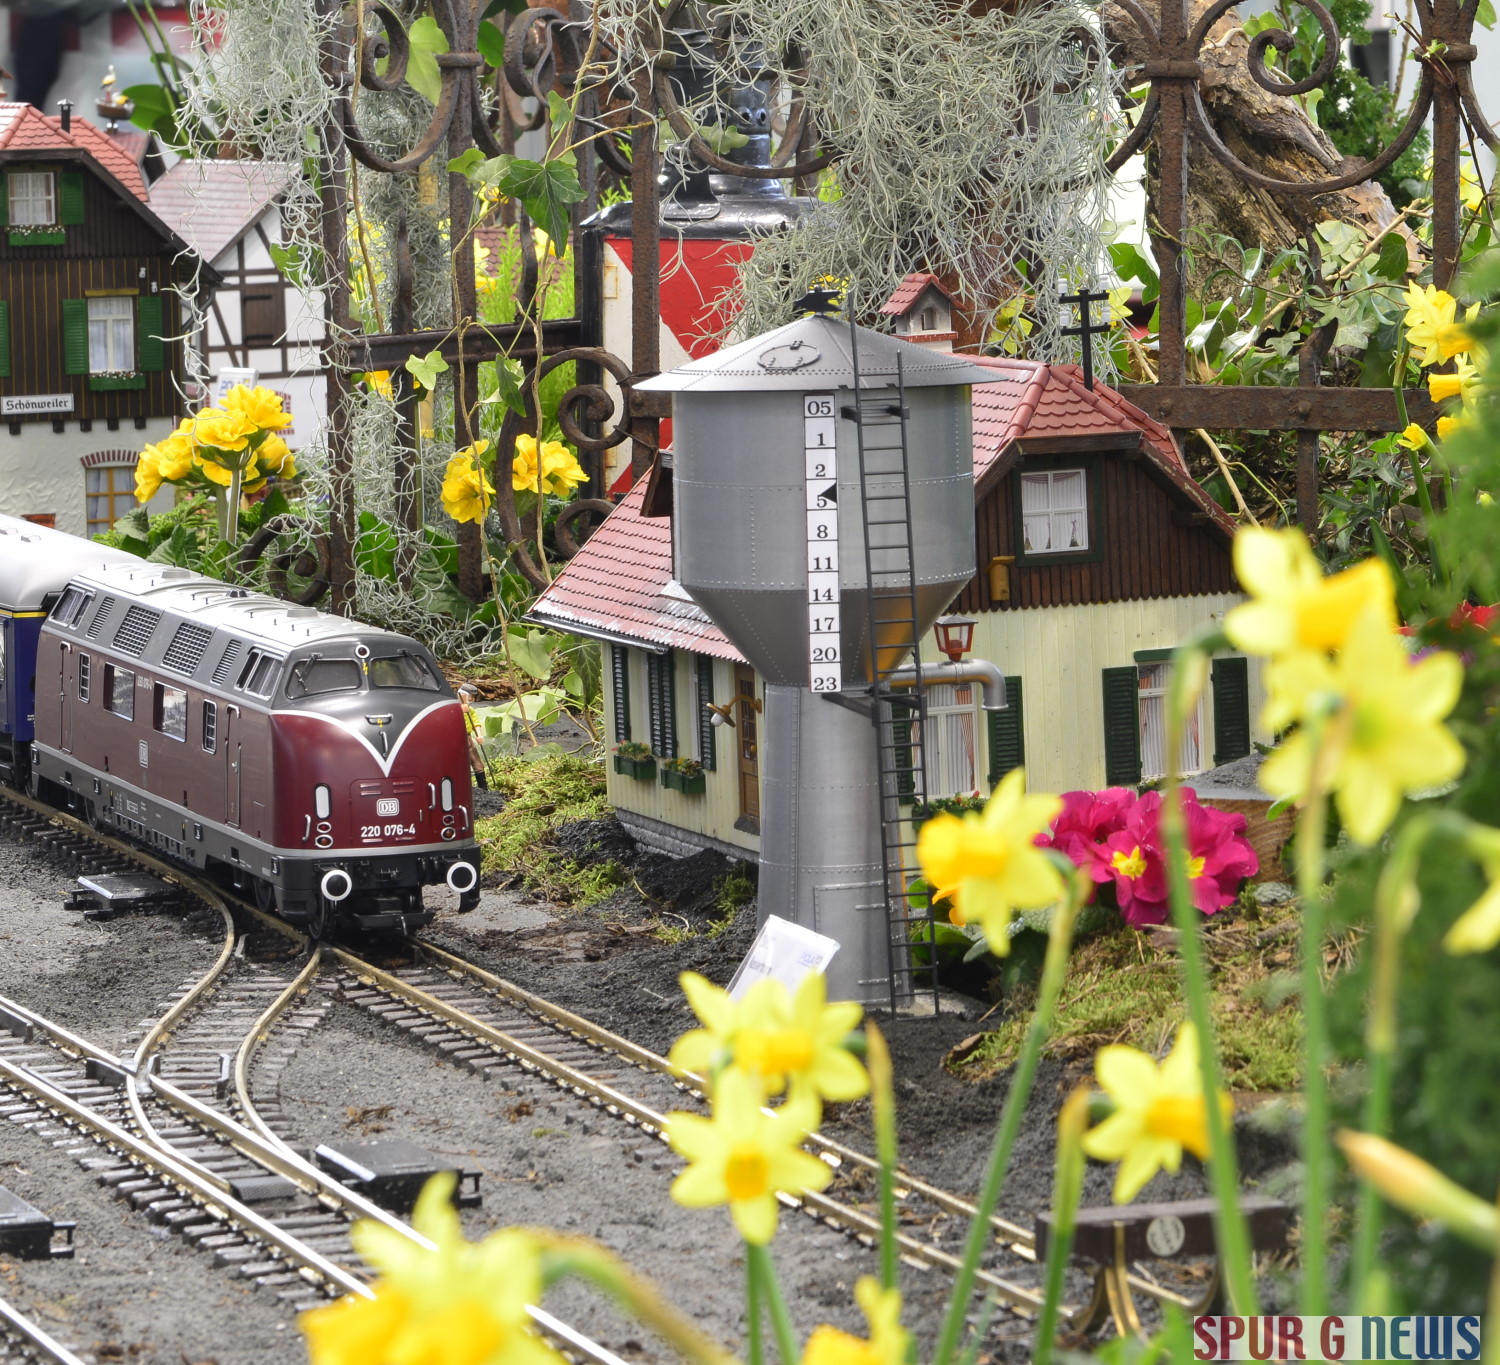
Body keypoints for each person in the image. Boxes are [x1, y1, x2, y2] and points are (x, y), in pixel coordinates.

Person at [458, 683, 489, 790]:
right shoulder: (452, 708)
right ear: (462, 695)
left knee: (477, 763)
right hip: (455, 739)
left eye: (473, 697)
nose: (471, 700)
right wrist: (460, 710)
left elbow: (476, 723)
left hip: (467, 738)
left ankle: (483, 788)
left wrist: (479, 735)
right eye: (470, 697)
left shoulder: (470, 710)